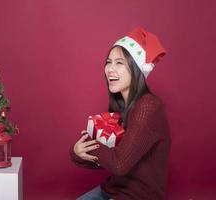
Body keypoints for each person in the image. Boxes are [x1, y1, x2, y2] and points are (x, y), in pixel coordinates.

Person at [70, 27, 172, 200]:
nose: (110, 69)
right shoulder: (121, 107)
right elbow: (110, 160)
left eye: (119, 63)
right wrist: (78, 152)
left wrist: (92, 143)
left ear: (136, 69)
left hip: (139, 196)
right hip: (113, 190)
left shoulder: (148, 107)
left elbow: (119, 164)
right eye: (108, 62)